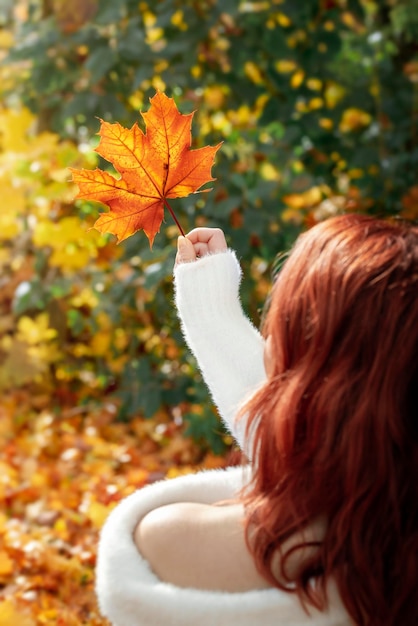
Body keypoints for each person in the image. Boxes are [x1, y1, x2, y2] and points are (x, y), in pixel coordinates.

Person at [95, 214, 418, 626]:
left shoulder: (172, 539)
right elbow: (315, 435)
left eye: (283, 324)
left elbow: (299, 435)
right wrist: (213, 315)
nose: (267, 345)